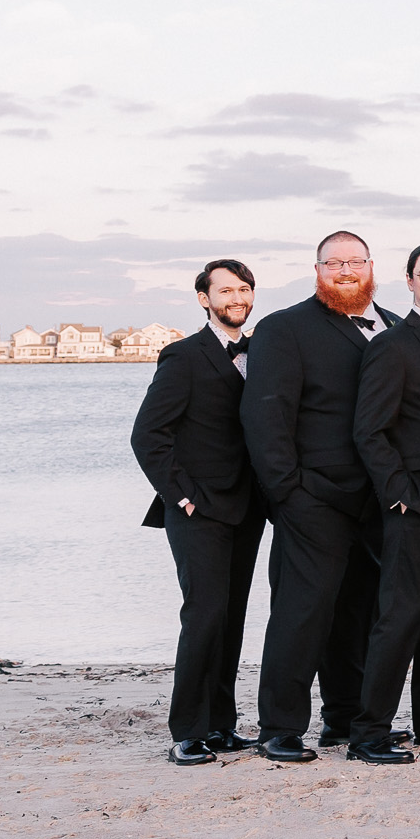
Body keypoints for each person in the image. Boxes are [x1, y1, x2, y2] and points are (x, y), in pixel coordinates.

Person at [242, 231, 401, 762]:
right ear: (317, 269)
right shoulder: (283, 328)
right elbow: (265, 416)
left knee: (360, 613)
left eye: (356, 261)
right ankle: (280, 728)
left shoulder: (398, 328)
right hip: (312, 497)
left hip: (378, 501)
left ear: (372, 266)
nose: (346, 270)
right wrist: (287, 492)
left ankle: (345, 720)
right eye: (335, 262)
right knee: (301, 612)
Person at [130, 257, 267, 765]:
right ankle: (187, 731)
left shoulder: (261, 352)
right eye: (225, 291)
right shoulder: (183, 357)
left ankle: (222, 725)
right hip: (196, 511)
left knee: (231, 619)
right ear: (204, 298)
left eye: (244, 289)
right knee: (203, 615)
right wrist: (180, 495)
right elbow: (148, 435)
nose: (237, 298)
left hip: (248, 507)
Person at [345, 241, 420, 764]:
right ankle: (369, 732)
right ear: (410, 281)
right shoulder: (393, 345)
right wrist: (399, 496)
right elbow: (369, 431)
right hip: (414, 504)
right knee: (399, 617)